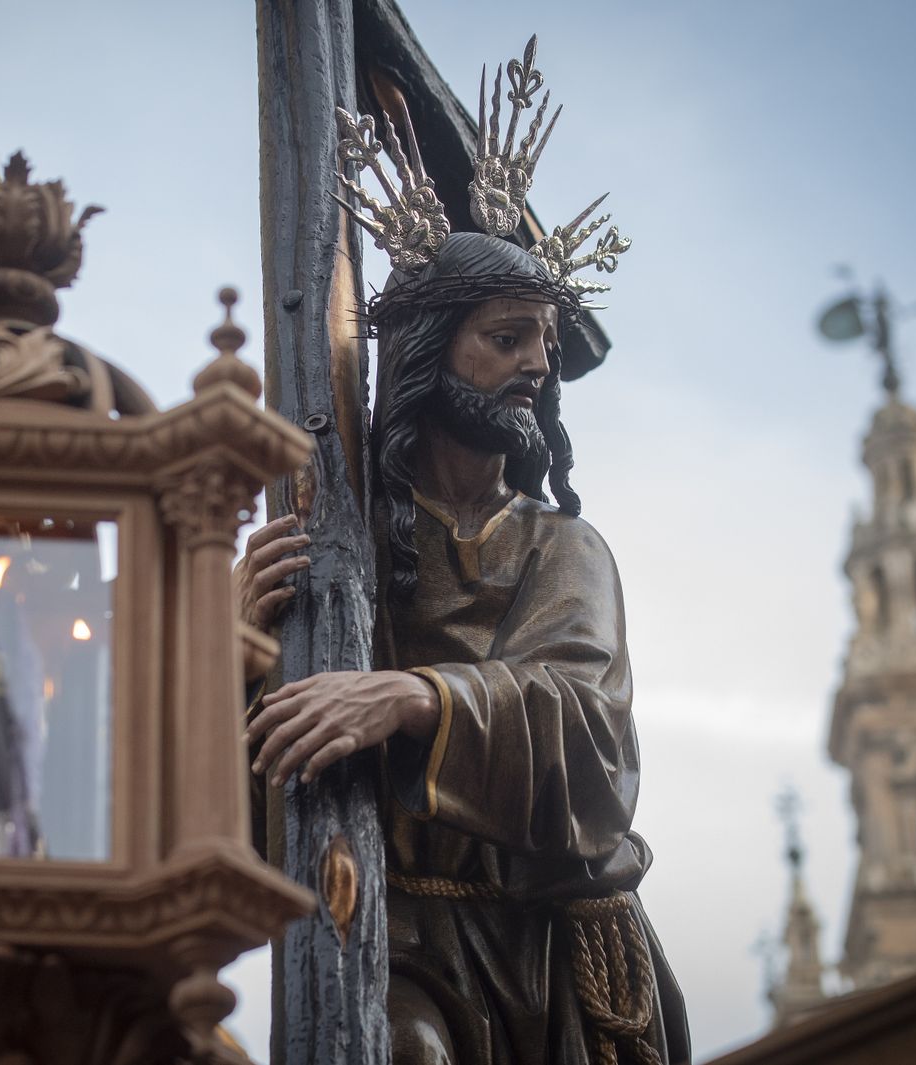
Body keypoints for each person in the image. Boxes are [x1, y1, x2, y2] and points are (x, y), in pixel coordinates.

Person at [237, 39, 688, 1065]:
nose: (537, 365)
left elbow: (591, 732)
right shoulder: (339, 557)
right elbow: (245, 797)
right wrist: (233, 642)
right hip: (392, 932)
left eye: (542, 341)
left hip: (556, 950)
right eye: (507, 338)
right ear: (428, 355)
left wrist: (410, 699)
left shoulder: (562, 548)